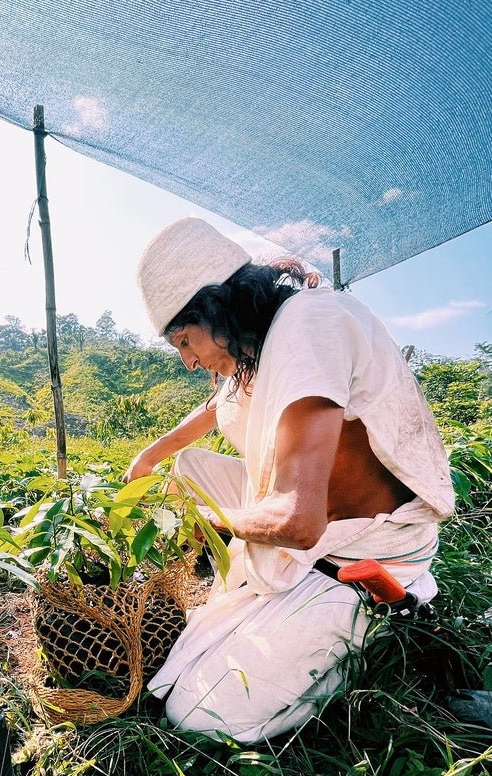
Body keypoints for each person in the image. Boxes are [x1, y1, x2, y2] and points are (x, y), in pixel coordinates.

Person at [125, 217, 454, 744]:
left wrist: (203, 523)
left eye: (186, 341)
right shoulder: (259, 345)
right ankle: (282, 616)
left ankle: (379, 629)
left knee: (200, 712)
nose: (189, 362)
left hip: (361, 551)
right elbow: (218, 406)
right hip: (319, 525)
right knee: (184, 470)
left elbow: (299, 521)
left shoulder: (308, 328)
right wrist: (150, 455)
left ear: (215, 307)